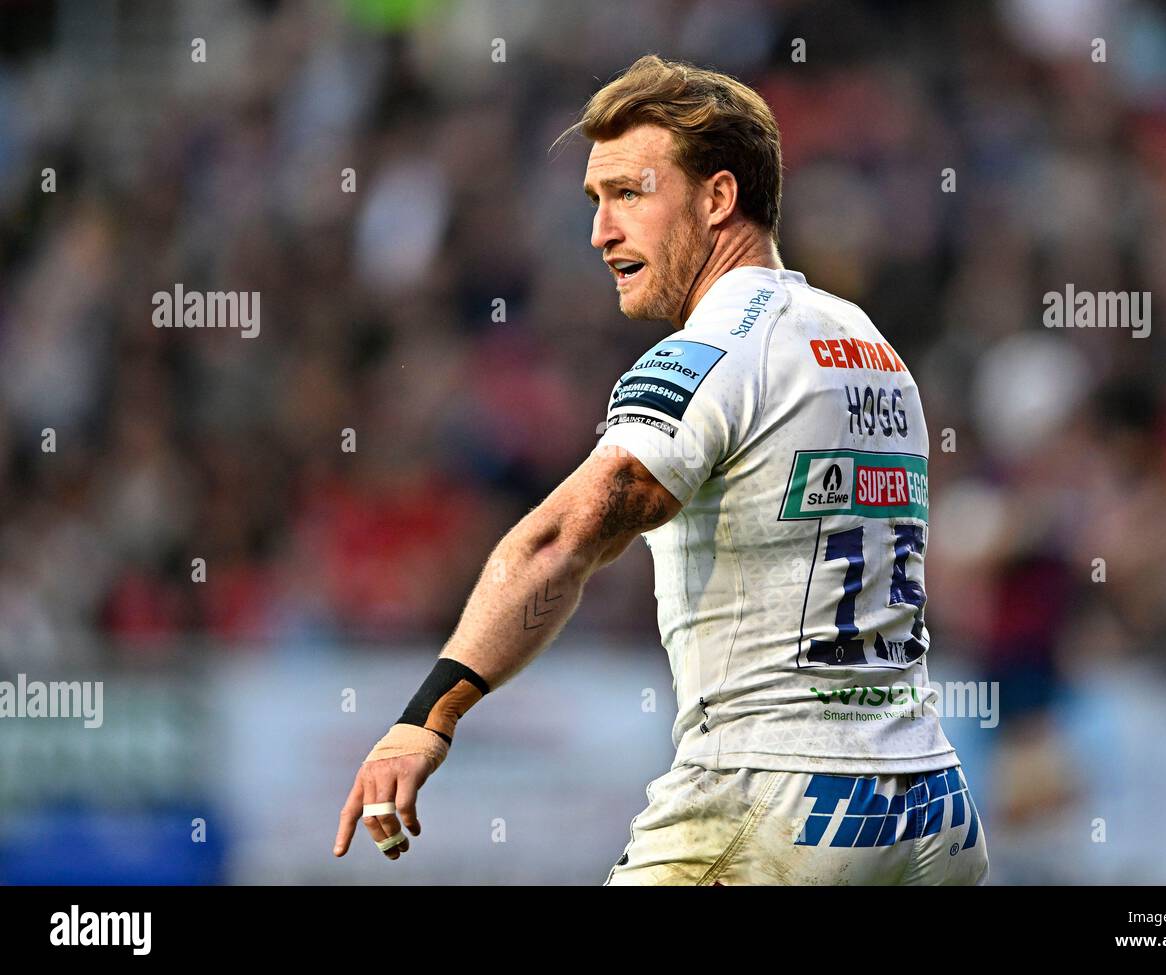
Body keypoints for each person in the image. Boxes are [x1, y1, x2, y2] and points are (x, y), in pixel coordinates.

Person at [333, 54, 989, 885]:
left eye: (630, 194)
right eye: (595, 200)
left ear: (718, 198)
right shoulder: (865, 340)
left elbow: (563, 540)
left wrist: (426, 717)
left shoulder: (708, 351)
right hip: (928, 806)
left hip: (774, 794)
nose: (601, 231)